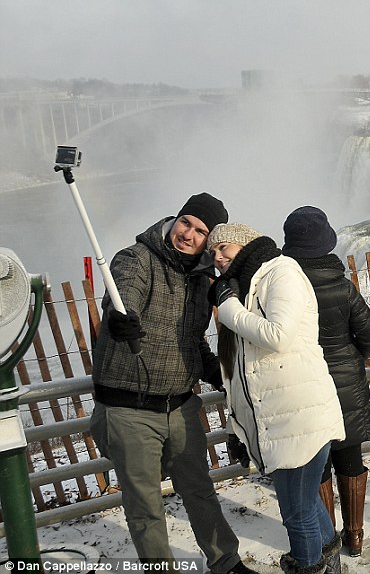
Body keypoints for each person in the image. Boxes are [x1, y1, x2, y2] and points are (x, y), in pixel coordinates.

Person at [89, 192, 255, 572]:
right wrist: (120, 318)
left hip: (180, 407)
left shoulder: (201, 279)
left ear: (208, 240)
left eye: (200, 231)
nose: (189, 234)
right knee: (145, 505)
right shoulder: (136, 258)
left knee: (199, 490)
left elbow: (192, 341)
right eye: (186, 223)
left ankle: (226, 562)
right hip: (129, 411)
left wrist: (223, 376)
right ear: (175, 220)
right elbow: (122, 297)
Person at [207, 223, 345, 574]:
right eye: (213, 252)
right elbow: (242, 373)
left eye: (225, 247)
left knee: (296, 514)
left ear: (246, 244)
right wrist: (236, 427)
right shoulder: (245, 286)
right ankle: (330, 563)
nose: (218, 257)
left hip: (299, 415)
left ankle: (310, 566)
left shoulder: (279, 272)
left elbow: (279, 336)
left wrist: (228, 308)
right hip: (280, 419)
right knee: (307, 503)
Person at [281, 206, 370, 557]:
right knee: (350, 457)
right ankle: (356, 536)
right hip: (345, 388)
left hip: (304, 389)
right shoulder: (343, 287)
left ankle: (328, 537)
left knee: (318, 464)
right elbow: (369, 333)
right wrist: (352, 358)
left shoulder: (283, 289)